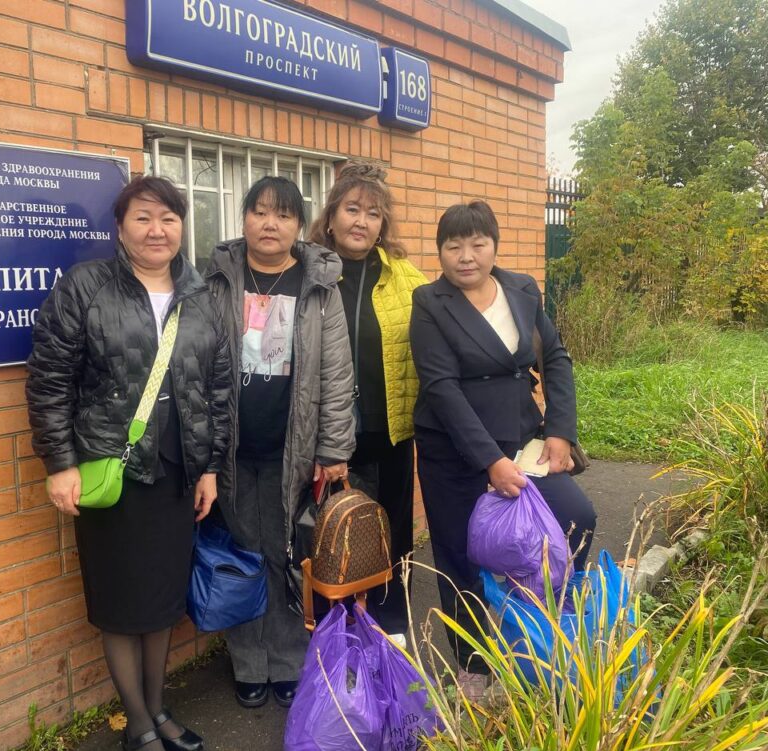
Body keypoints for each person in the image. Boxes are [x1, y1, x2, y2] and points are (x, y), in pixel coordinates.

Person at [25, 176, 231, 751]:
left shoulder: (201, 294)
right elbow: (50, 380)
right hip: (109, 470)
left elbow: (217, 389)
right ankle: (137, 725)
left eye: (168, 218)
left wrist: (209, 467)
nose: (156, 230)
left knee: (162, 599)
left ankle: (158, 709)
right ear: (120, 228)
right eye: (143, 218)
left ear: (182, 226)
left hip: (177, 471)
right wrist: (59, 464)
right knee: (120, 600)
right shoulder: (86, 287)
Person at [410, 200, 597, 699]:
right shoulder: (429, 302)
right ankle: (474, 662)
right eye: (453, 246)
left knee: (575, 517)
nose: (466, 256)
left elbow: (555, 357)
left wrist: (560, 429)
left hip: (522, 437)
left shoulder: (521, 288)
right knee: (460, 554)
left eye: (478, 244)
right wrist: (489, 461)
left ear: (494, 245)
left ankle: (543, 631)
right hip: (455, 449)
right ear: (440, 252)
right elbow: (441, 387)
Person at [206, 176, 355, 710]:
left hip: (295, 450)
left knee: (289, 555)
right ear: (244, 217)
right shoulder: (218, 280)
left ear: (298, 225)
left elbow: (337, 373)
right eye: (260, 212)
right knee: (243, 556)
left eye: (284, 214)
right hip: (231, 448)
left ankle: (290, 660)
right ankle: (249, 662)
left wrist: (333, 449)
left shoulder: (319, 286)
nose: (270, 224)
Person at [308, 163, 426, 644]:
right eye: (352, 209)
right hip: (326, 439)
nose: (361, 221)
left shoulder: (404, 277)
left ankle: (391, 629)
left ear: (383, 224)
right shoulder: (309, 272)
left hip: (389, 432)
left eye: (373, 213)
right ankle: (334, 634)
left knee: (392, 533)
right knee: (330, 536)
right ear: (331, 216)